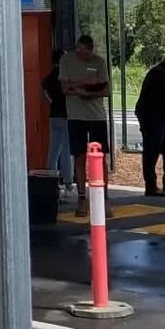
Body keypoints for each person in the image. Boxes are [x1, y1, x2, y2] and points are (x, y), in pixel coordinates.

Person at [59, 33, 109, 214]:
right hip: (76, 116)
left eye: (86, 52)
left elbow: (106, 89)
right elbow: (65, 88)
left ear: (91, 50)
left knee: (101, 158)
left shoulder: (99, 62)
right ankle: (82, 197)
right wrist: (87, 82)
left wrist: (87, 91)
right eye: (79, 51)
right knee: (79, 157)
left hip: (97, 116)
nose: (83, 55)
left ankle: (104, 198)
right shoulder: (67, 60)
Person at [134, 50, 165, 196]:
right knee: (152, 150)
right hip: (152, 116)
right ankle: (152, 185)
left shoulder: (163, 72)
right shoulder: (161, 75)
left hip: (159, 116)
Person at [41, 49, 74, 197]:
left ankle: (51, 180)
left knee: (53, 149)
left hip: (54, 116)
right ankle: (68, 182)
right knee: (66, 150)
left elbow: (42, 91)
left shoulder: (49, 77)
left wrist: (51, 102)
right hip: (66, 115)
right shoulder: (65, 76)